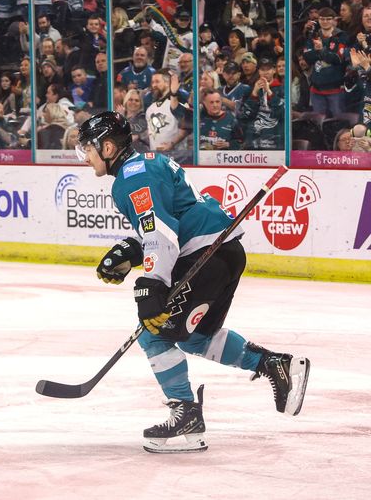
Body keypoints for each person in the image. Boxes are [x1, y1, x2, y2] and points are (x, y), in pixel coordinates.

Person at [74, 111, 311, 453]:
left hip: (205, 257)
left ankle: (186, 416)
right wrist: (131, 250)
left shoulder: (130, 178)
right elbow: (169, 221)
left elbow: (161, 232)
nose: (86, 158)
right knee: (197, 338)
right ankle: (276, 365)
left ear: (108, 146)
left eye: (88, 149)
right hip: (222, 252)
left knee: (154, 335)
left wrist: (151, 285)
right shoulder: (146, 164)